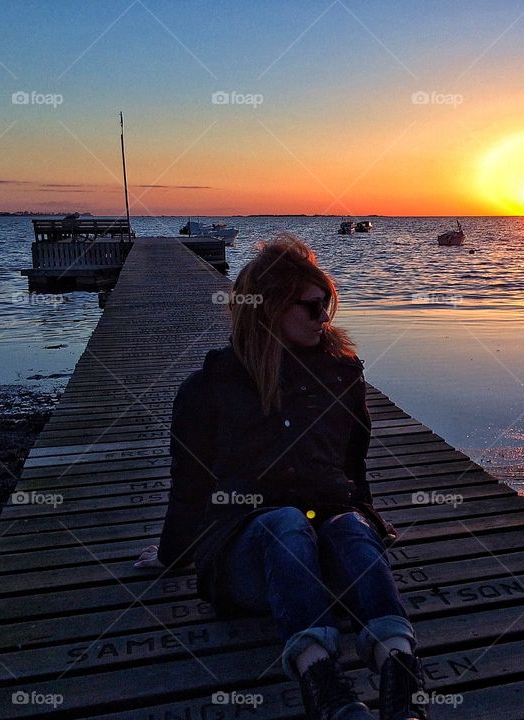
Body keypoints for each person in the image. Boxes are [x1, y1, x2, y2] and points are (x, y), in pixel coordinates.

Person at [135, 235, 429, 720]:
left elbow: (353, 467)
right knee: (285, 522)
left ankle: (400, 673)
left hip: (326, 553)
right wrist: (171, 555)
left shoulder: (341, 373)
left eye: (326, 306)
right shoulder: (211, 386)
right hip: (247, 558)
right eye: (312, 308)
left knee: (351, 525)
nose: (324, 319)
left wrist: (367, 524)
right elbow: (190, 487)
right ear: (270, 308)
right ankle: (323, 684)